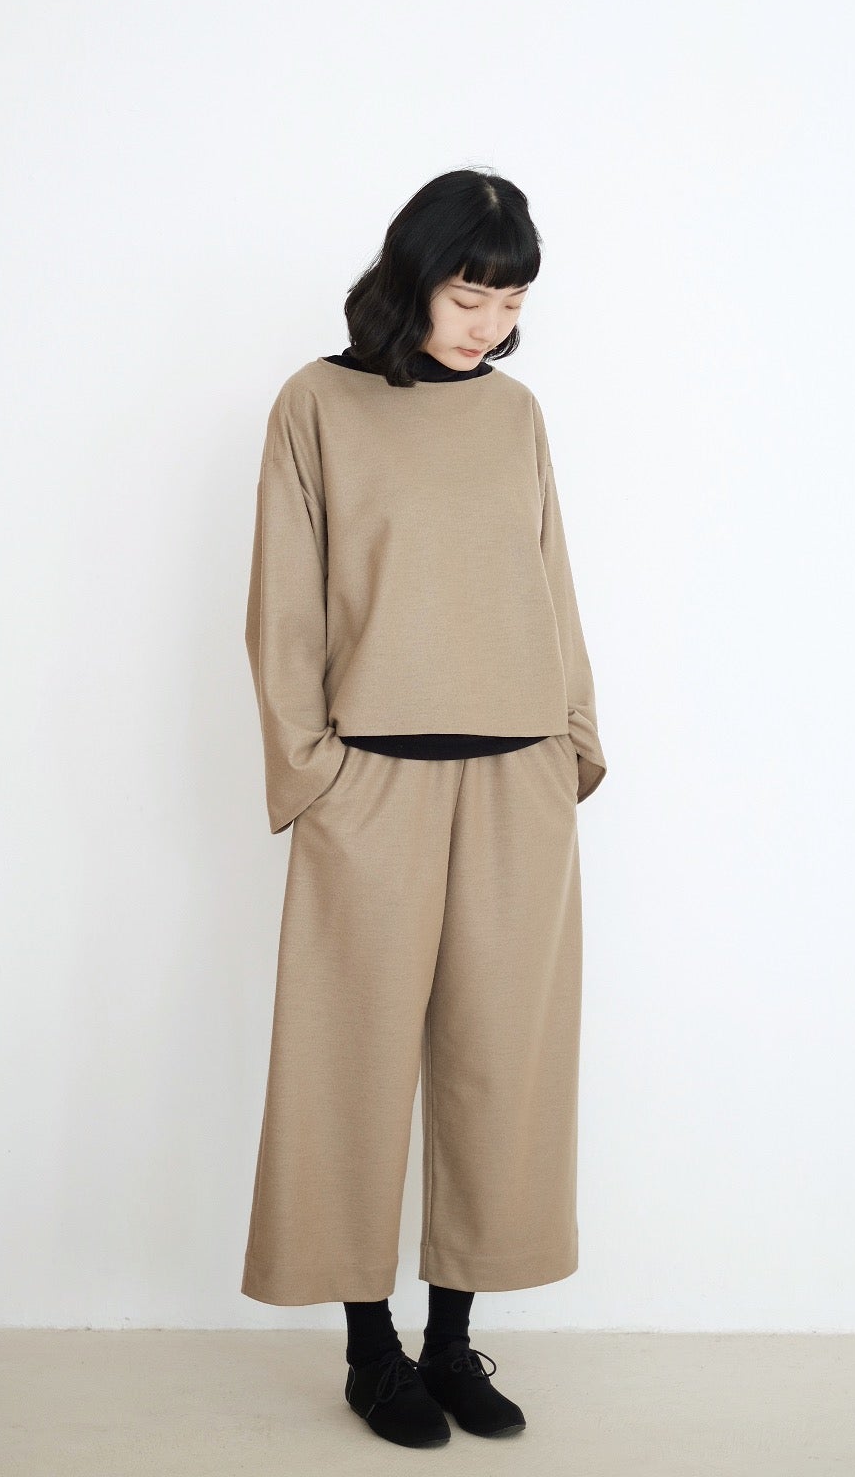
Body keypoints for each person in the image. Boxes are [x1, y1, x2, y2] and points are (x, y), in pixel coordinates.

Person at [239, 167, 608, 1449]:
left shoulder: (514, 414)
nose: (488, 324)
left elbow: (550, 579)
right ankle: (370, 1351)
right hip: (371, 782)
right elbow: (283, 604)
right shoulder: (317, 404)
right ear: (413, 277)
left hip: (516, 777)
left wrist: (572, 744)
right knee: (347, 1065)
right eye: (467, 295)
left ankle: (450, 1343)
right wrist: (312, 770)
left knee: (497, 1067)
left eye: (510, 303)